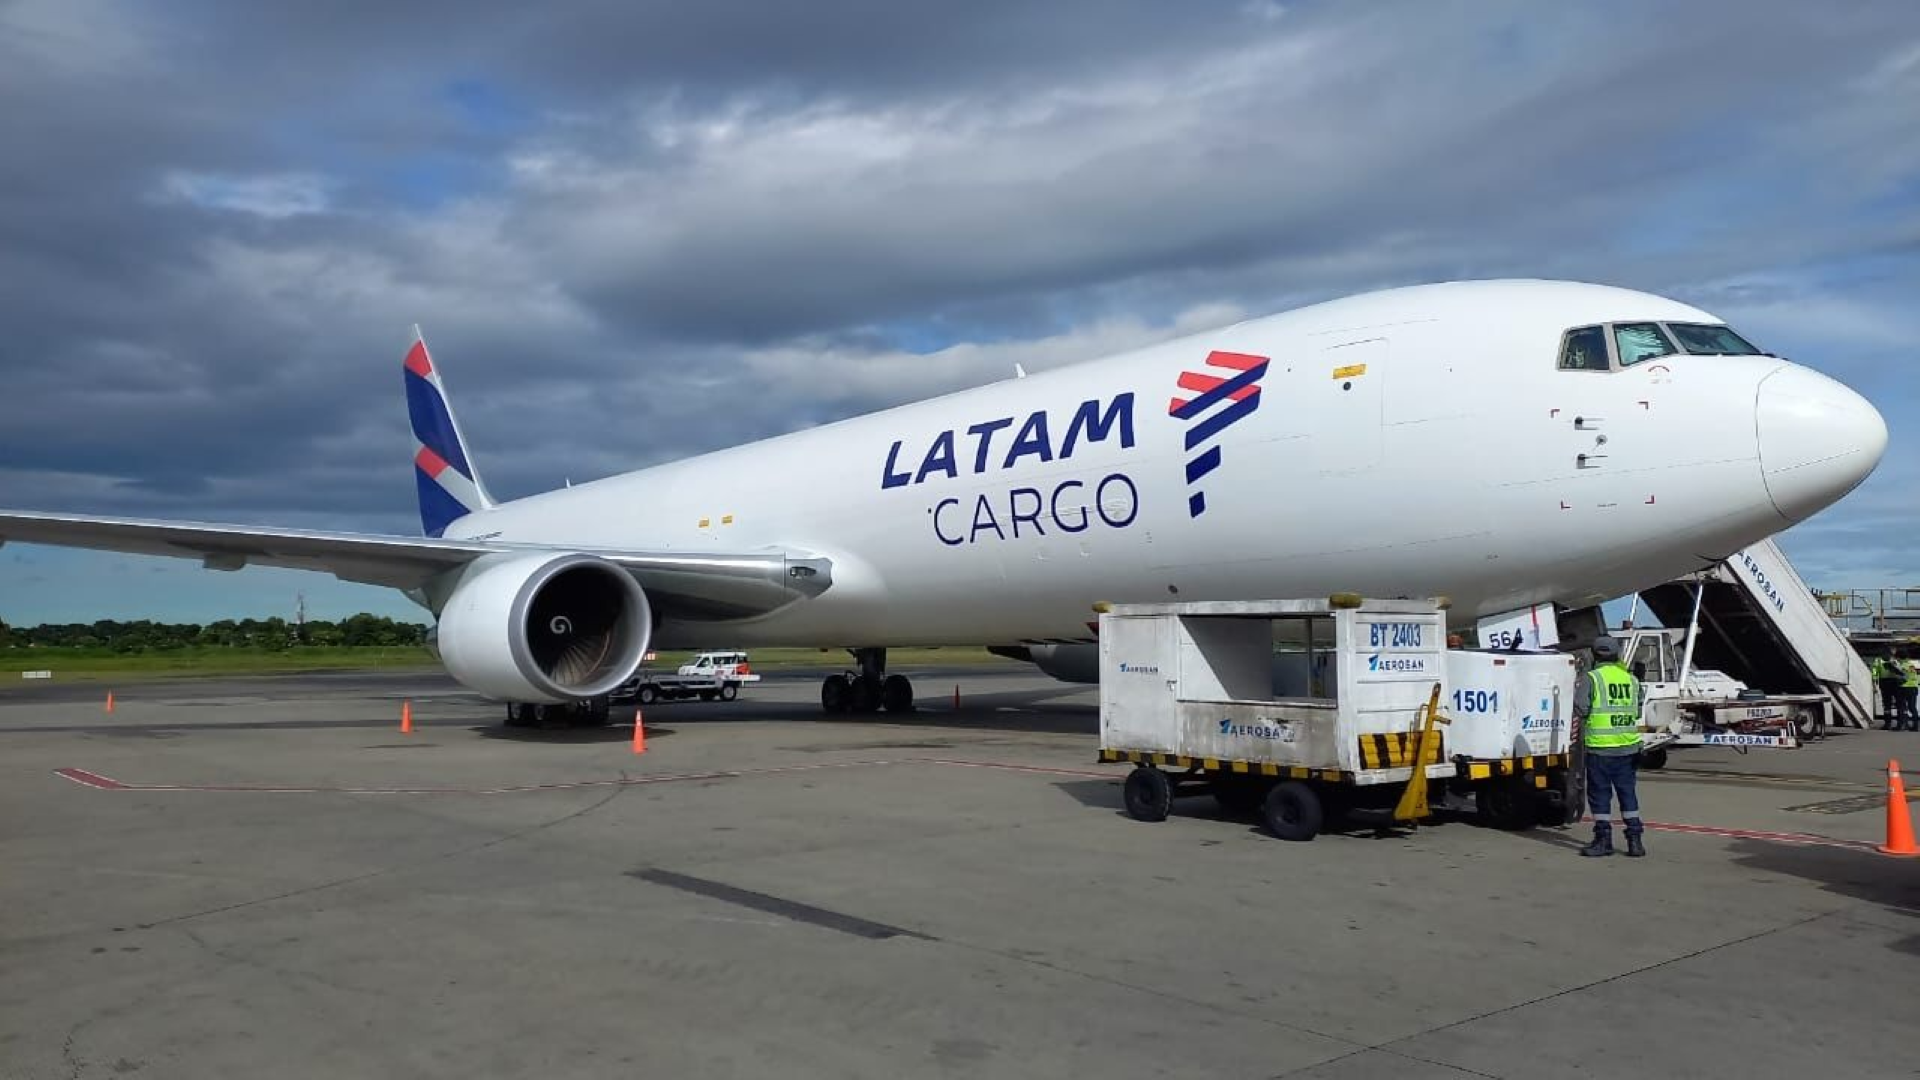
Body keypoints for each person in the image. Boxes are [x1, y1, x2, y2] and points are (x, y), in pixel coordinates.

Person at [1574, 636, 1644, 857]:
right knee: (1627, 794)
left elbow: (1581, 709)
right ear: (1617, 655)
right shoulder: (1631, 679)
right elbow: (1637, 711)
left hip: (1600, 749)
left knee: (1600, 796)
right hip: (1628, 748)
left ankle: (1603, 840)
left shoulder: (1592, 678)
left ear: (1595, 655)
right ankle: (1635, 841)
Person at [1874, 654, 1902, 730]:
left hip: (1886, 683)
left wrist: (1875, 681)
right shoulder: (1895, 660)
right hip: (1894, 683)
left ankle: (1888, 724)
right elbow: (1900, 671)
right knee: (1897, 704)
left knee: (1887, 705)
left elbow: (1875, 672)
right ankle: (1899, 724)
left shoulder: (1878, 660)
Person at [1901, 653, 1920, 733]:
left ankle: (1905, 724)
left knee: (1904, 707)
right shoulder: (1914, 664)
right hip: (1914, 687)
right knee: (1912, 707)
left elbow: (1904, 677)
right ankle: (1915, 726)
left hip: (1905, 687)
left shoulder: (1903, 665)